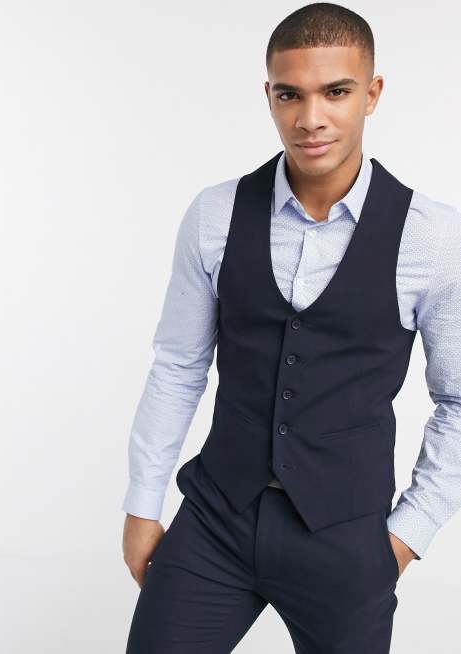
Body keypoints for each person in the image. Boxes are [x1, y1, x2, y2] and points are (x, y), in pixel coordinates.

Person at [122, 3, 461, 652]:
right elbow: (178, 366)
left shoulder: (432, 237)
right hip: (216, 521)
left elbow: (457, 400)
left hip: (346, 540)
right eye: (289, 94)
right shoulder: (216, 214)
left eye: (335, 92)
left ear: (371, 94)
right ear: (269, 96)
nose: (310, 118)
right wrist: (143, 504)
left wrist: (404, 537)